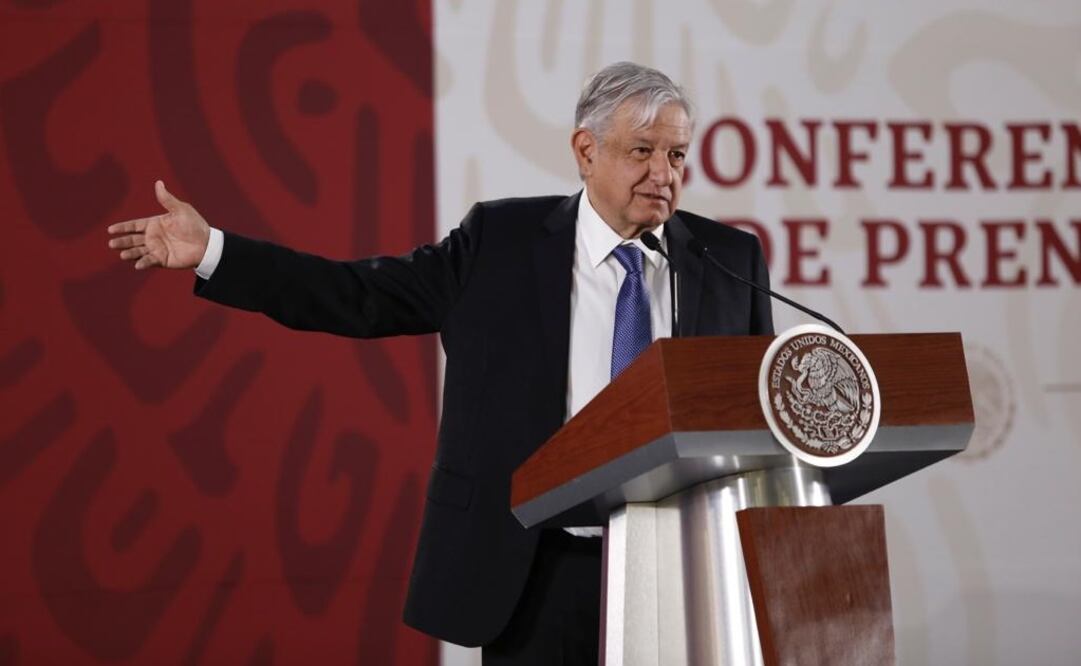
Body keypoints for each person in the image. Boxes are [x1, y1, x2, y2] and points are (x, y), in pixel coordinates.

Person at [107, 61, 773, 665]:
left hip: (681, 575)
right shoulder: (500, 243)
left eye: (677, 155)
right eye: (642, 152)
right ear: (585, 150)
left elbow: (758, 426)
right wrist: (215, 251)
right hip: (537, 569)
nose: (663, 174)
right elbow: (357, 296)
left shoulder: (727, 261)